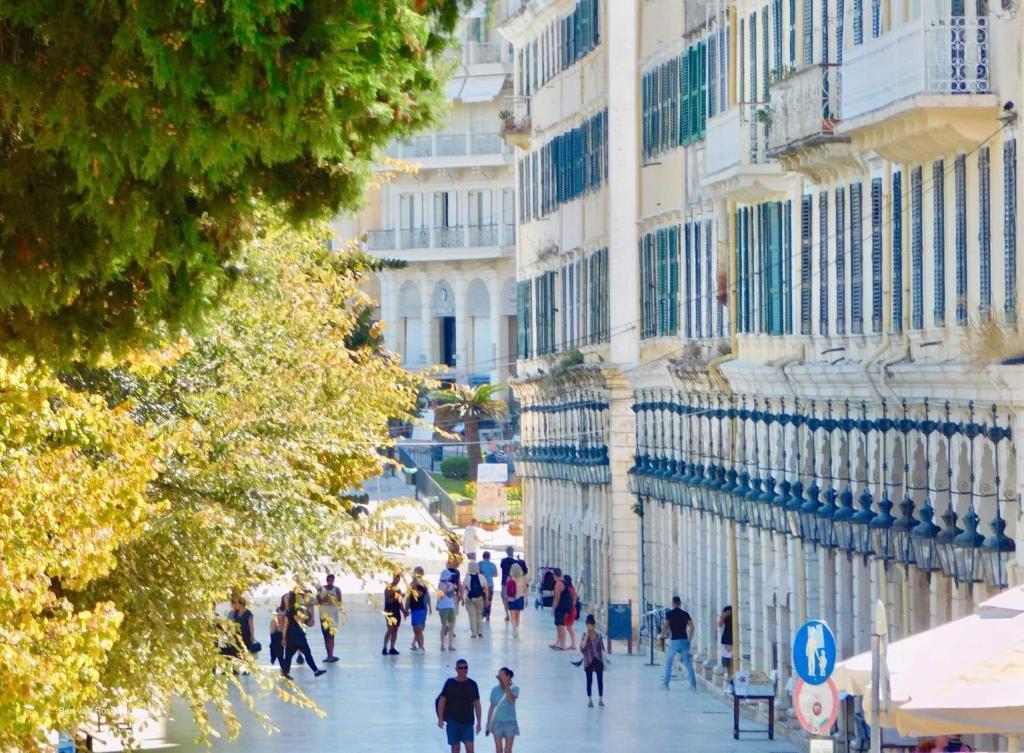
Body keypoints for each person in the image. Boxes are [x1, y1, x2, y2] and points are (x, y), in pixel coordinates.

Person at [437, 658, 482, 753]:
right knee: (455, 749)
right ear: (456, 669)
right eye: (461, 668)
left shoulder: (472, 684)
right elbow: (442, 701)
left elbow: (477, 703)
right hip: (453, 721)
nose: (463, 670)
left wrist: (479, 722)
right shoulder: (450, 683)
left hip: (468, 722)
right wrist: (440, 718)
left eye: (465, 668)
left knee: (470, 749)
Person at [279, 591, 326, 680]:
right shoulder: (296, 610)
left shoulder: (288, 611)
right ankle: (315, 671)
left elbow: (285, 625)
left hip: (290, 637)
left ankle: (285, 672)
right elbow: (299, 621)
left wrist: (284, 638)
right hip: (298, 636)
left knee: (288, 656)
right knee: (307, 653)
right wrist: (305, 621)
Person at [661, 596, 697, 689]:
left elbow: (665, 626)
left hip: (674, 641)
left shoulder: (670, 614)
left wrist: (662, 635)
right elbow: (692, 627)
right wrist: (689, 640)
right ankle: (693, 684)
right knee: (687, 662)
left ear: (673, 604)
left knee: (669, 661)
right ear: (680, 604)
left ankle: (666, 684)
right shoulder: (685, 614)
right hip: (684, 640)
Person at [485, 667, 519, 753]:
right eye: (498, 676)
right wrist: (488, 723)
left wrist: (507, 685)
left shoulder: (515, 688)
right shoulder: (494, 689)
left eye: (502, 676)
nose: (499, 678)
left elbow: (511, 700)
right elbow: (491, 707)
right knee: (499, 750)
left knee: (508, 750)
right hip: (496, 722)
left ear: (508, 676)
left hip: (510, 722)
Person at [579, 614, 605, 707]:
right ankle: (590, 700)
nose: (590, 627)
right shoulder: (584, 635)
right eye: (588, 625)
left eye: (591, 625)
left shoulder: (598, 635)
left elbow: (602, 648)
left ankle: (600, 699)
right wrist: (586, 635)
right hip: (588, 660)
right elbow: (582, 647)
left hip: (598, 660)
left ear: (594, 625)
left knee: (600, 680)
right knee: (589, 680)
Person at [406, 566, 432, 652]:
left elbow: (422, 594)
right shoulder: (411, 584)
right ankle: (415, 644)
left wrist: (430, 606)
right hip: (414, 608)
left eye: (419, 573)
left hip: (422, 607)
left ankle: (421, 646)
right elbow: (408, 597)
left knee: (420, 627)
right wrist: (406, 608)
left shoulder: (423, 585)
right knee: (415, 628)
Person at [318, 573, 343, 663]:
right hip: (323, 616)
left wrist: (331, 600)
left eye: (332, 580)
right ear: (327, 580)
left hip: (333, 617)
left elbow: (339, 602)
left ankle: (331, 655)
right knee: (325, 637)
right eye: (329, 580)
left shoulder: (337, 590)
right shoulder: (321, 589)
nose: (330, 582)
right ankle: (328, 655)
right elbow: (318, 600)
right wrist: (326, 599)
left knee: (331, 636)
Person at [499, 547, 527, 620]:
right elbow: (523, 571)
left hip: (505, 581)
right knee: (514, 596)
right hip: (515, 582)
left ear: (506, 552)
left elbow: (502, 568)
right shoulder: (516, 562)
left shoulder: (503, 561)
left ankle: (507, 614)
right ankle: (513, 612)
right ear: (513, 551)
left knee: (505, 597)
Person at [463, 561, 488, 639]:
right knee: (479, 615)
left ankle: (474, 633)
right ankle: (479, 632)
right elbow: (486, 589)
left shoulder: (467, 577)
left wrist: (462, 598)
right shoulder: (482, 577)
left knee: (472, 615)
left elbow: (462, 588)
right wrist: (486, 600)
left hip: (469, 598)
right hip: (479, 598)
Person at [383, 572, 406, 655]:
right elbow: (389, 599)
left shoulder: (398, 589)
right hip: (389, 610)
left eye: (398, 578)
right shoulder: (388, 587)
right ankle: (384, 647)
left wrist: (404, 611)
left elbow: (400, 602)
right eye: (396, 577)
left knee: (395, 630)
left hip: (396, 610)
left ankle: (392, 647)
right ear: (393, 577)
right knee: (390, 629)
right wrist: (399, 597)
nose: (397, 579)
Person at [437, 570, 458, 651]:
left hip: (451, 606)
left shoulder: (450, 584)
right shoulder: (440, 585)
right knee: (444, 626)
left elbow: (452, 595)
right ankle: (442, 645)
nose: (450, 577)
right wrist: (448, 588)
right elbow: (441, 596)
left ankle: (450, 645)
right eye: (449, 575)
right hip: (443, 607)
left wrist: (453, 589)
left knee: (452, 626)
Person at [506, 563, 526, 639]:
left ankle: (514, 628)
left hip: (511, 598)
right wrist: (526, 600)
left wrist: (507, 598)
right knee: (518, 615)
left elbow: (507, 590)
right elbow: (525, 590)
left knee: (512, 616)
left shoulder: (509, 578)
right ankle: (516, 629)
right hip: (520, 598)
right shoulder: (522, 578)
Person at [478, 551, 498, 621]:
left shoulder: (479, 564)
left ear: (483, 556)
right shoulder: (493, 565)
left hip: (481, 584)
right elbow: (495, 575)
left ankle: (482, 613)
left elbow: (477, 573)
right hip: (490, 584)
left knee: (482, 600)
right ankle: (487, 615)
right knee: (489, 600)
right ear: (489, 557)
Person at [550, 568, 567, 650]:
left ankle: (562, 645)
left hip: (560, 608)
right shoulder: (563, 581)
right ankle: (558, 643)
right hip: (563, 607)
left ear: (555, 575)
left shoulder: (558, 584)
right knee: (559, 626)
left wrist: (553, 608)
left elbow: (557, 598)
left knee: (560, 626)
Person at [562, 575, 578, 650]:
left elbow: (573, 599)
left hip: (570, 610)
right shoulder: (572, 588)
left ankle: (574, 644)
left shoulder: (569, 589)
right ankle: (573, 644)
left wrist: (570, 608)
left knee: (569, 627)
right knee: (569, 627)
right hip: (572, 609)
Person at [718, 605, 733, 678]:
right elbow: (720, 624)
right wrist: (723, 616)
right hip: (727, 640)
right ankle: (729, 678)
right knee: (727, 662)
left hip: (734, 640)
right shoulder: (727, 609)